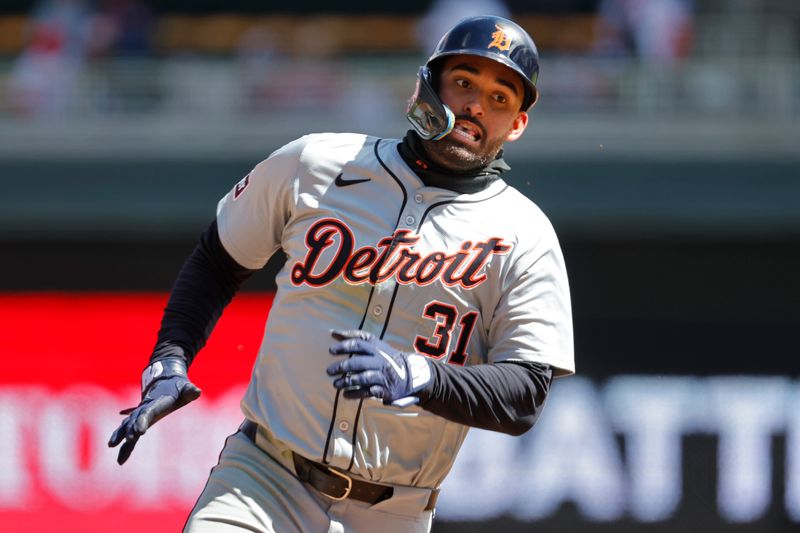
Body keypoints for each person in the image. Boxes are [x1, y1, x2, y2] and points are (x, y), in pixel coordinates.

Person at [108, 15, 575, 533]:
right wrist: (169, 359)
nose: (476, 106)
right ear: (427, 85)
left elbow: (526, 390)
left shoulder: (525, 234)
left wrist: (419, 376)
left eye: (500, 97)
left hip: (394, 511)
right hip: (264, 478)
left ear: (517, 125)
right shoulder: (316, 163)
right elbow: (218, 259)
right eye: (464, 83)